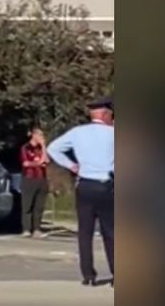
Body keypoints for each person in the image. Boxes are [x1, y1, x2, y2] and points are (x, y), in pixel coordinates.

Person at [47, 96, 114, 287]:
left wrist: (71, 165)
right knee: (111, 232)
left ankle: (88, 275)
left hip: (84, 185)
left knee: (85, 232)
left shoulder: (77, 132)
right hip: (107, 185)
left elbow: (53, 148)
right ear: (105, 114)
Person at [20, 125, 50, 238]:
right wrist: (38, 163)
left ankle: (37, 229)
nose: (42, 137)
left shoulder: (41, 148)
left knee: (39, 206)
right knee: (27, 205)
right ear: (34, 135)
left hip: (42, 178)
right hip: (29, 178)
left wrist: (43, 146)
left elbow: (46, 161)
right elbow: (25, 163)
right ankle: (26, 229)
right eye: (40, 135)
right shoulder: (25, 147)